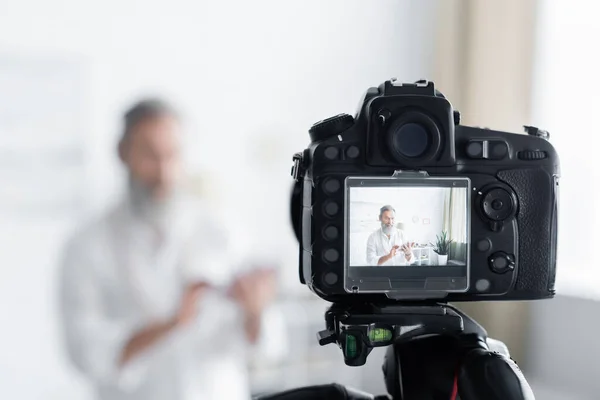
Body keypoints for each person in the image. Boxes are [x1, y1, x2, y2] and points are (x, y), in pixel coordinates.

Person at [59, 99, 284, 400]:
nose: (164, 172)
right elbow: (86, 353)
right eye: (150, 155)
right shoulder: (87, 245)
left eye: (173, 154)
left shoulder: (220, 229)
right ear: (123, 153)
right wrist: (173, 323)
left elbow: (266, 346)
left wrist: (255, 311)